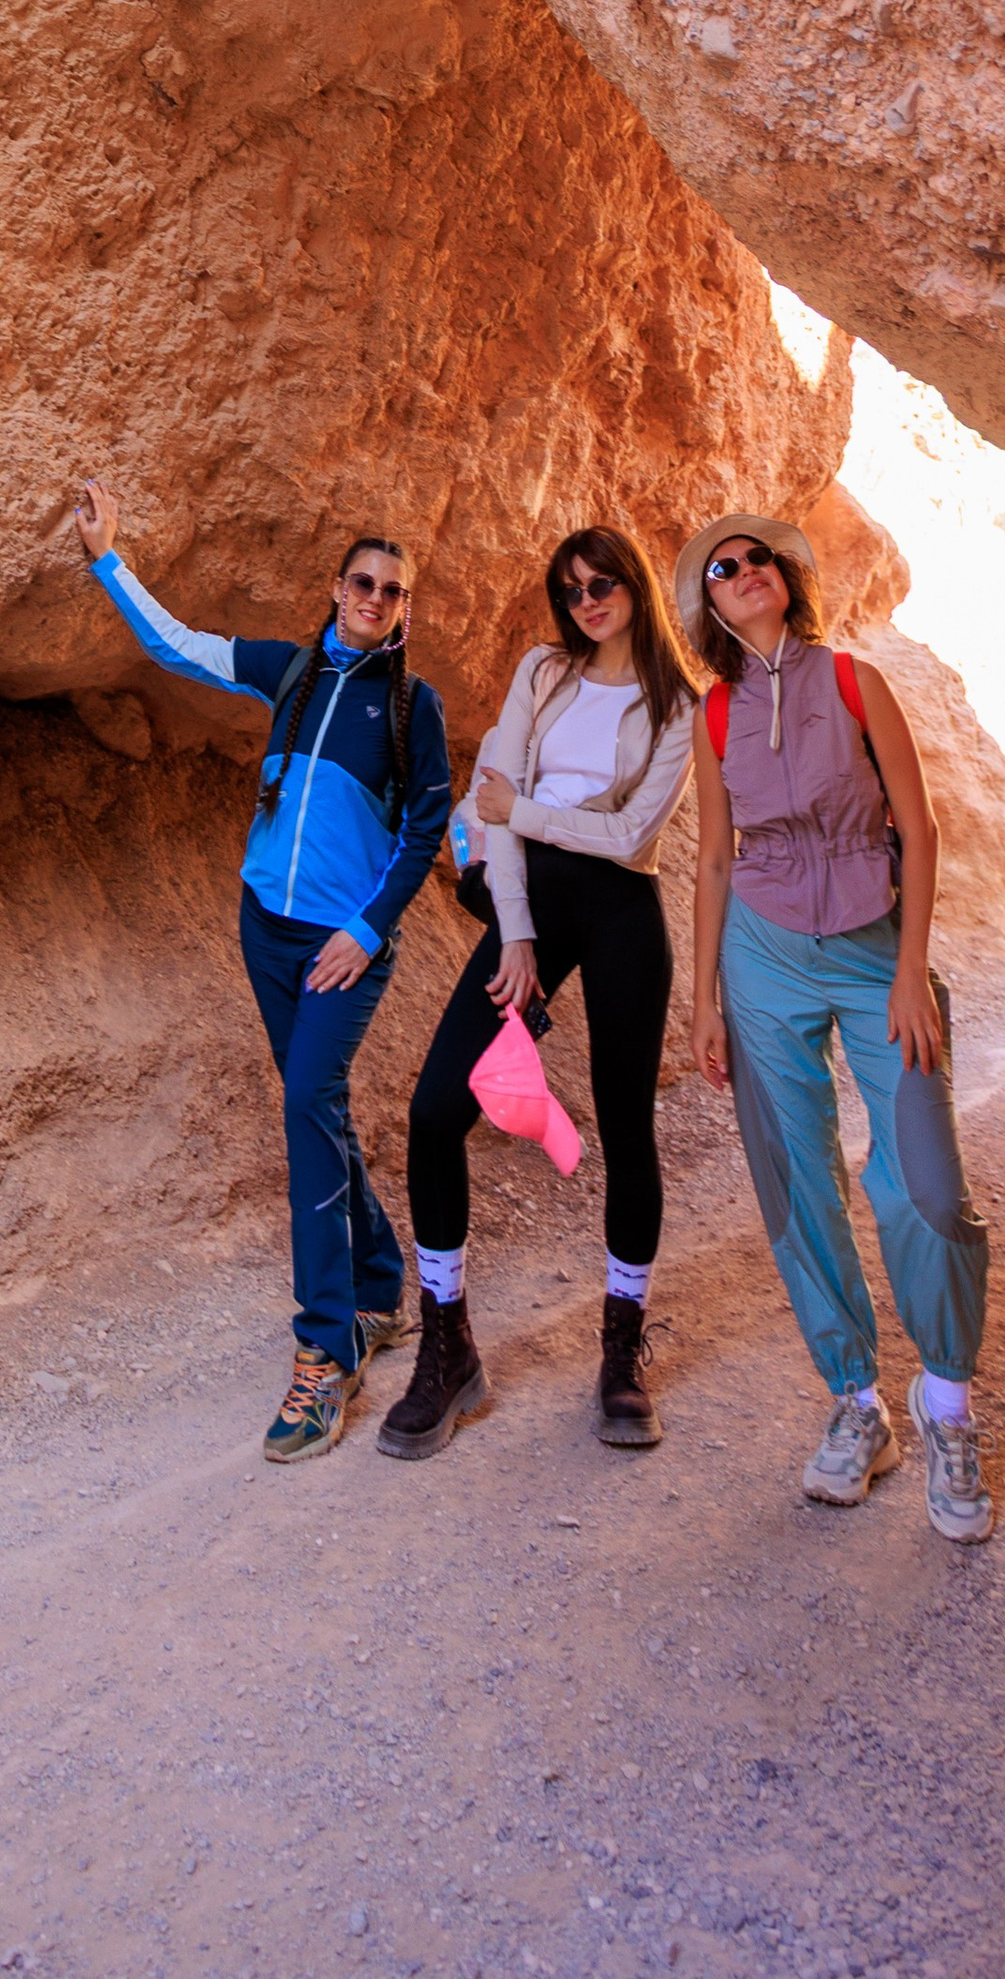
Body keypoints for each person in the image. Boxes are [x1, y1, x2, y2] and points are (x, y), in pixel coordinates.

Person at [71, 476, 452, 1465]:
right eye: (362, 584)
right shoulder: (290, 671)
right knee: (315, 1108)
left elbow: (425, 829)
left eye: (393, 592)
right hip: (265, 930)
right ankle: (378, 1285)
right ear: (336, 589)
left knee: (305, 1107)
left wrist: (367, 930)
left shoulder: (411, 708)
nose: (375, 600)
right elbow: (179, 647)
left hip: (341, 950)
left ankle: (325, 1349)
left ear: (405, 609)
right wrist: (108, 560)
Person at [681, 511, 996, 1542]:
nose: (743, 572)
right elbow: (715, 858)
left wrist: (910, 972)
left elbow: (919, 827)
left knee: (926, 1186)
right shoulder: (714, 713)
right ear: (709, 605)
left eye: (756, 559)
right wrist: (704, 999)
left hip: (873, 952)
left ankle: (946, 1407)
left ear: (785, 577)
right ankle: (857, 1403)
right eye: (721, 569)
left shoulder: (857, 683)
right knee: (796, 1179)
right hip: (761, 956)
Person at [380, 525, 698, 1462]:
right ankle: (448, 1346)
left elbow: (629, 836)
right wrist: (514, 931)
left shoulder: (679, 704)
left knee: (626, 1127)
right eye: (571, 590)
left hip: (624, 910)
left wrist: (522, 811)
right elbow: (493, 799)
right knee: (435, 1113)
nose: (587, 602)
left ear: (635, 586)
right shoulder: (542, 671)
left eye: (603, 584)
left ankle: (621, 1351)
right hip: (531, 904)